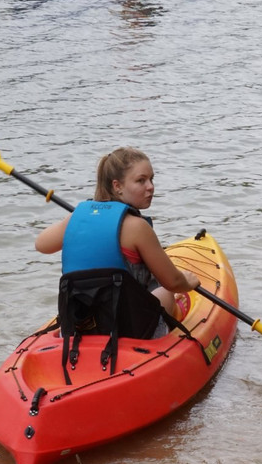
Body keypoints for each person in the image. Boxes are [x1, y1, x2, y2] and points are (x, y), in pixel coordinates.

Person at [36, 146, 198, 342]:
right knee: (166, 292)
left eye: (151, 179)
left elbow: (41, 245)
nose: (150, 187)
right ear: (117, 186)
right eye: (141, 180)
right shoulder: (137, 227)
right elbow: (173, 281)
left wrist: (78, 219)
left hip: (83, 324)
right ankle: (165, 342)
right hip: (129, 329)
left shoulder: (76, 218)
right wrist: (188, 282)